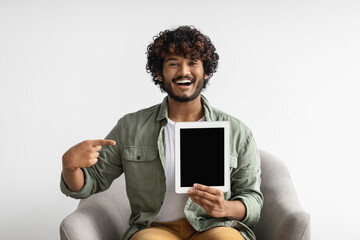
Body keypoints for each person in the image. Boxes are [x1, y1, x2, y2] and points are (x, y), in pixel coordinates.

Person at [61, 25, 263, 240]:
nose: (183, 71)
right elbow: (91, 182)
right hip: (155, 229)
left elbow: (252, 199)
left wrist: (225, 208)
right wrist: (69, 166)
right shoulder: (131, 126)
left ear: (205, 72)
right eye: (173, 64)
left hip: (214, 227)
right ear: (159, 73)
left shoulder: (237, 131)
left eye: (192, 62)